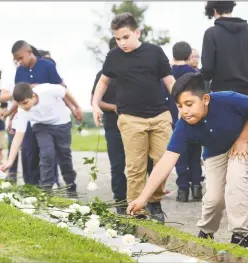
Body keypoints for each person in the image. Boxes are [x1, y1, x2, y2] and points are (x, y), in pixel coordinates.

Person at [127, 72, 248, 249]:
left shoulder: (228, 99)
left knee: (235, 181)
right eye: (180, 106)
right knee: (214, 198)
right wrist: (143, 198)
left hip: (243, 143)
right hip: (215, 152)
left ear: (205, 99)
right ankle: (206, 232)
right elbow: (166, 162)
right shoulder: (183, 126)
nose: (185, 111)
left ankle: (240, 236)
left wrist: (243, 138)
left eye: (189, 104)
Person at [92, 12, 176, 222]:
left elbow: (169, 81)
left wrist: (182, 105)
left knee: (163, 163)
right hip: (130, 119)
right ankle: (136, 210)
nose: (122, 43)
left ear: (137, 32)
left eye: (126, 37)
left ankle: (154, 201)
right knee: (135, 167)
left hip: (160, 116)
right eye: (118, 39)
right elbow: (103, 82)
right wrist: (95, 104)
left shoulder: (155, 52)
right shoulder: (114, 57)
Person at [3, 41, 82, 186]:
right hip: (36, 121)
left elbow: (62, 91)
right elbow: (19, 97)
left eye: (21, 58)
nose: (19, 62)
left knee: (62, 155)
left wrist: (74, 108)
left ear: (29, 52)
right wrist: (11, 116)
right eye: (17, 60)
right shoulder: (20, 73)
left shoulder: (47, 68)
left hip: (57, 119)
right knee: (38, 153)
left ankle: (68, 185)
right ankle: (41, 187)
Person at [0, 82, 79, 197]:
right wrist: (10, 161)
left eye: (25, 103)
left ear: (33, 96)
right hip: (41, 126)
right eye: (20, 104)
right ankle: (46, 191)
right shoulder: (22, 110)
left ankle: (71, 187)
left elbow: (64, 91)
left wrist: (77, 107)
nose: (23, 107)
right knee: (47, 154)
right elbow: (18, 136)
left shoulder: (46, 90)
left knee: (64, 156)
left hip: (61, 123)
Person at [91, 37, 127, 214]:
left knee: (140, 164)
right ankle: (120, 201)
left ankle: (145, 200)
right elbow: (96, 101)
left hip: (134, 124)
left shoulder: (131, 72)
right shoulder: (102, 75)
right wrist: (114, 108)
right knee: (117, 165)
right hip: (113, 125)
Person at [201, 1, 248, 100]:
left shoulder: (211, 33)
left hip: (220, 94)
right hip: (246, 94)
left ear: (214, 10)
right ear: (231, 8)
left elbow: (208, 68)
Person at [171, 41, 203, 202]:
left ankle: (182, 190)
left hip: (175, 119)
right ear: (189, 55)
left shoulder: (168, 74)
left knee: (180, 155)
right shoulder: (195, 74)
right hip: (194, 117)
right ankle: (196, 187)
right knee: (195, 155)